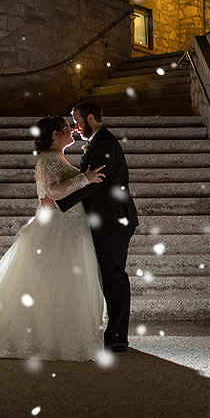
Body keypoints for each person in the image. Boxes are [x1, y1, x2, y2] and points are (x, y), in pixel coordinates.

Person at [0, 116, 107, 360]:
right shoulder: (47, 159)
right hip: (57, 228)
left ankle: (59, 335)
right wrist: (84, 178)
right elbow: (53, 192)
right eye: (67, 128)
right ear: (55, 134)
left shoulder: (57, 157)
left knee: (61, 284)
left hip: (68, 227)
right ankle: (44, 337)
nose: (73, 131)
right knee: (53, 284)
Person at [54, 101, 139, 353]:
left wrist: (59, 203)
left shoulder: (104, 143)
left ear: (91, 118)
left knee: (114, 278)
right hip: (109, 218)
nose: (75, 127)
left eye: (78, 121)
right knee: (110, 277)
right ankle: (114, 334)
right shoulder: (99, 141)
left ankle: (117, 338)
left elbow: (95, 182)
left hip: (114, 220)